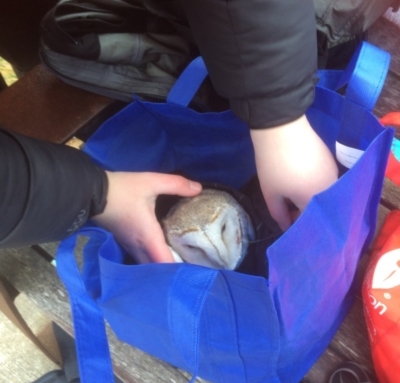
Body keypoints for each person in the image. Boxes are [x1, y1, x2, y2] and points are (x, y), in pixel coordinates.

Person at [8, 0, 396, 263]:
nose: (214, 247)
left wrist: (279, 119)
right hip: (229, 54)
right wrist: (92, 194)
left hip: (279, 46)